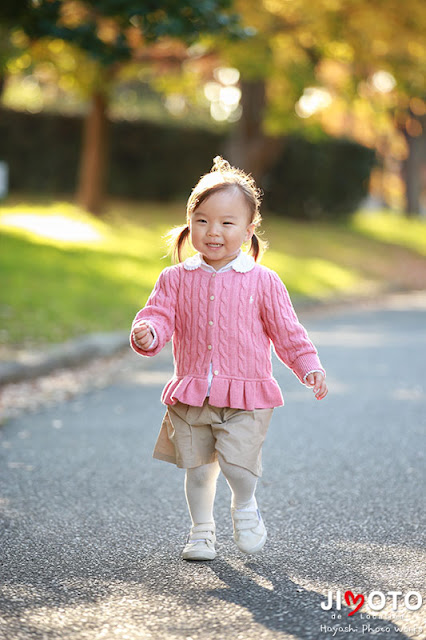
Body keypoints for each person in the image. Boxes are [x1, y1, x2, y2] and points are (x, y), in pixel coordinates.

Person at [130, 156, 328, 561]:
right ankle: (201, 532)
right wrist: (148, 332)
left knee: (238, 467)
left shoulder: (263, 280)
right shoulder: (174, 278)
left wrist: (308, 365)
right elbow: (159, 316)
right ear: (189, 222)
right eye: (202, 220)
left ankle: (245, 505)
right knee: (199, 471)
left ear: (248, 229)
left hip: (247, 395)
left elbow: (287, 332)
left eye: (226, 222)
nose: (213, 231)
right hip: (192, 394)